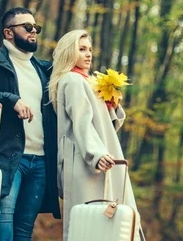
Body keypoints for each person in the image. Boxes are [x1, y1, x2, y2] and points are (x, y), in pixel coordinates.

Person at [0, 7, 60, 240]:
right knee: (2, 216)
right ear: (8, 33)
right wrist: (10, 99)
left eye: (36, 27)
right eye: (27, 27)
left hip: (40, 162)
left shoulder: (44, 69)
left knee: (24, 227)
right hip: (8, 157)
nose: (33, 31)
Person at [49, 29, 145, 241]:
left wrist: (111, 105)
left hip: (100, 158)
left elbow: (105, 126)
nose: (88, 54)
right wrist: (96, 153)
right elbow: (80, 123)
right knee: (91, 225)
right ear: (68, 52)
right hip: (85, 162)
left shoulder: (89, 81)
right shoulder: (72, 80)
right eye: (81, 49)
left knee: (104, 224)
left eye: (90, 49)